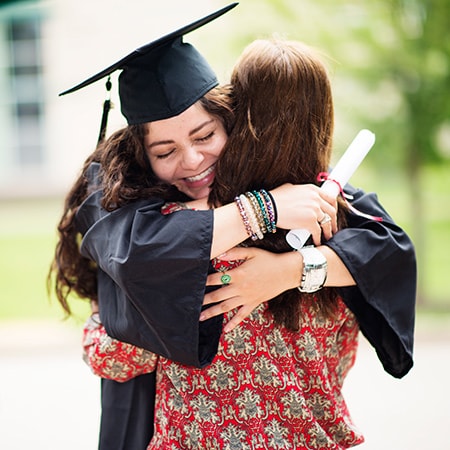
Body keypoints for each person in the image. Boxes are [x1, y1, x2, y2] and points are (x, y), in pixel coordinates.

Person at [79, 37, 416, 449]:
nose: (191, 160)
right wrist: (264, 209)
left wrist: (287, 271)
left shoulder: (316, 204)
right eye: (165, 151)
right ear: (142, 158)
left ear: (232, 123)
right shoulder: (137, 225)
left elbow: (389, 249)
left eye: (205, 136)